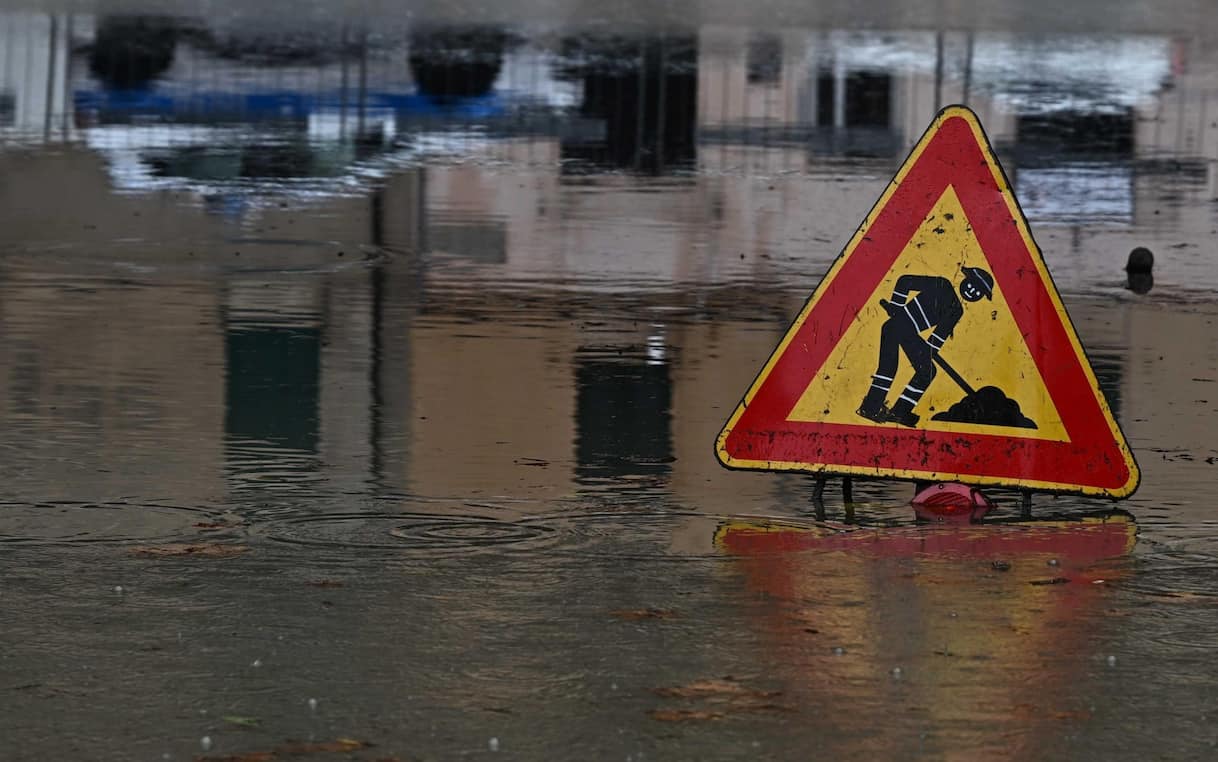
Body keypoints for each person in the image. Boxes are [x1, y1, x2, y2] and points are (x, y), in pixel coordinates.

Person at [857, 267, 993, 427]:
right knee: (888, 368)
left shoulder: (957, 310)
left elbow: (938, 336)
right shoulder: (942, 284)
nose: (972, 292)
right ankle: (871, 408)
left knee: (926, 372)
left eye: (978, 293)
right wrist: (896, 306)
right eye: (972, 286)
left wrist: (930, 350)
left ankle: (898, 412)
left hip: (910, 333)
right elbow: (904, 281)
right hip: (895, 325)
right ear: (966, 280)